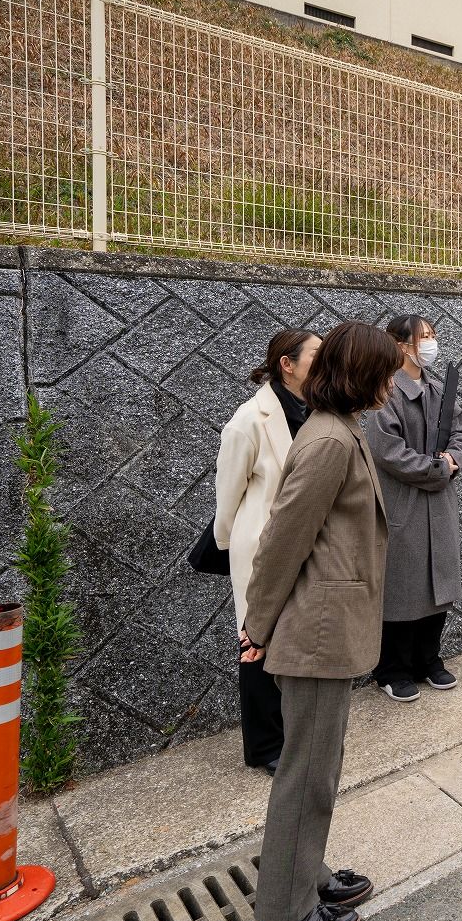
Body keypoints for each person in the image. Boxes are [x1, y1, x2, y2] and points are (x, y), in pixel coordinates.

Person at [244, 321, 401, 921]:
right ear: (362, 375)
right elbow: (282, 540)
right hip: (316, 631)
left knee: (317, 768)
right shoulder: (331, 440)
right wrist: (257, 625)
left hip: (327, 627)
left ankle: (305, 874)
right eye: (385, 373)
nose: (392, 384)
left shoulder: (339, 427)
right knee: (306, 775)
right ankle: (285, 911)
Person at [214, 327, 320, 775]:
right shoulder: (249, 420)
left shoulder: (318, 411)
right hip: (261, 544)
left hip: (305, 545)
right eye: (316, 355)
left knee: (293, 637)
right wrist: (231, 545)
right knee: (256, 642)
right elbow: (228, 495)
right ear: (287, 365)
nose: (325, 362)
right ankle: (263, 746)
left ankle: (292, 732)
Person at [364, 315, 462, 703]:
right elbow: (388, 452)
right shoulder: (384, 393)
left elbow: (461, 433)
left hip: (438, 503)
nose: (430, 343)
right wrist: (439, 469)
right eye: (423, 336)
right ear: (401, 345)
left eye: (432, 335)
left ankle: (429, 659)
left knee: (438, 584)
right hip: (403, 504)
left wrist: (453, 457)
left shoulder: (439, 388)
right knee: (402, 587)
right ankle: (391, 669)